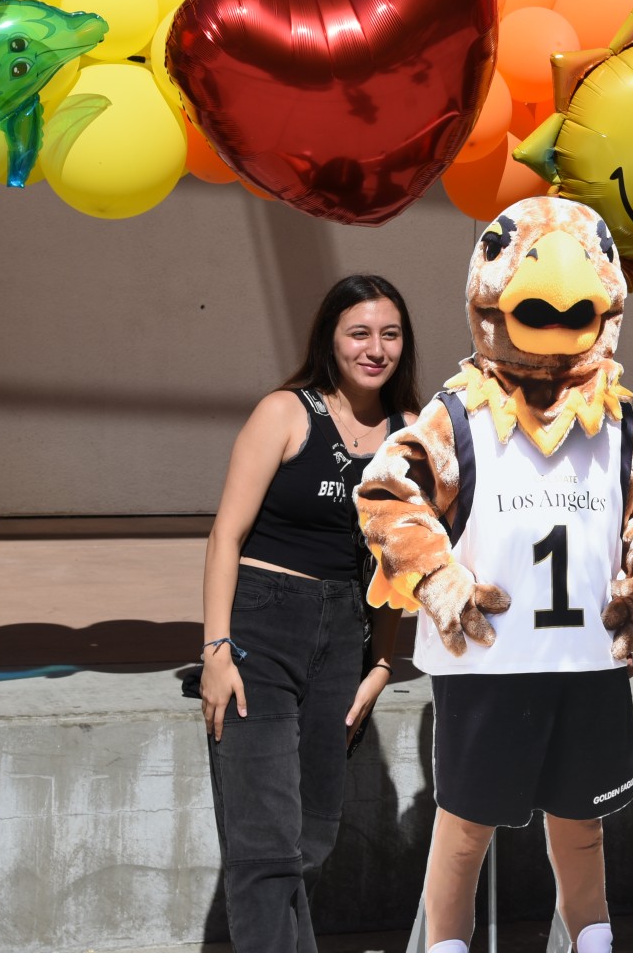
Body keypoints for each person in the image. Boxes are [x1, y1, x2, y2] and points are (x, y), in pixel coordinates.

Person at [357, 197, 633, 953]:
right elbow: (387, 493)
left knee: (582, 825)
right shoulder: (459, 412)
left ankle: (593, 942)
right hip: (489, 666)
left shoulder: (622, 421)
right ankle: (444, 946)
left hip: (585, 664)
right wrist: (435, 574)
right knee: (465, 827)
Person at [199, 274, 419, 953]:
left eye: (389, 334)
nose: (374, 348)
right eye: (359, 332)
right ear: (331, 337)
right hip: (262, 626)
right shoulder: (286, 413)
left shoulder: (410, 435)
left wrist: (382, 663)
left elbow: (398, 563)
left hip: (343, 635)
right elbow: (224, 537)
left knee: (314, 831)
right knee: (265, 843)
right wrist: (215, 651)